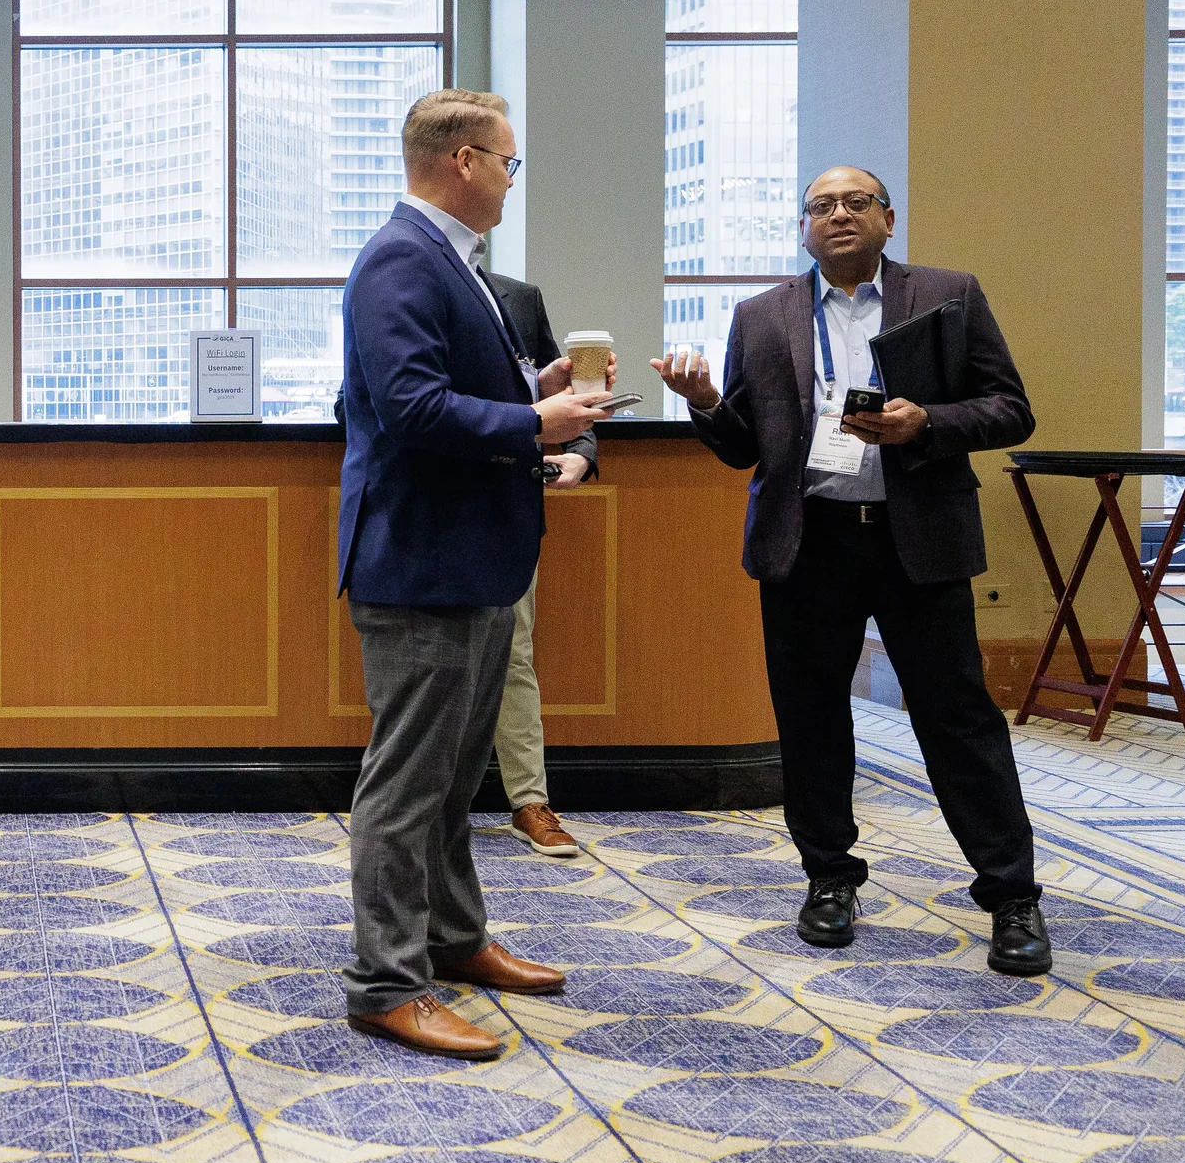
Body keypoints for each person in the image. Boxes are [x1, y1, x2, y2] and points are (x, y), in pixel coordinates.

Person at [651, 166, 1048, 975]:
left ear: (888, 219)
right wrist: (700, 403)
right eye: (821, 206)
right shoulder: (762, 317)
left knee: (957, 719)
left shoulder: (947, 294)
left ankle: (1012, 894)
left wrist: (926, 422)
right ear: (804, 228)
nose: (837, 215)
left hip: (917, 541)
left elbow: (1011, 408)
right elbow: (743, 449)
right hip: (809, 544)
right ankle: (829, 877)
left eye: (855, 202)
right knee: (812, 719)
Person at [337, 89, 613, 1060]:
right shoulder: (399, 259)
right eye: (506, 160)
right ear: (461, 160)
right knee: (407, 783)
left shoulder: (451, 265)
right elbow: (406, 407)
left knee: (455, 779)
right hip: (419, 563)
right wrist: (534, 424)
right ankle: (383, 980)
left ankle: (451, 939)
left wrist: (527, 392)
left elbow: (444, 388)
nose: (508, 176)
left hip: (474, 558)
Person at [484, 268, 599, 858]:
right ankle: (431, 807)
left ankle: (530, 800)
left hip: (510, 509)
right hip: (423, 517)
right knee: (427, 663)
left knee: (515, 652)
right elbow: (359, 403)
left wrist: (580, 451)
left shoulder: (519, 300)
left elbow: (566, 400)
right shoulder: (404, 284)